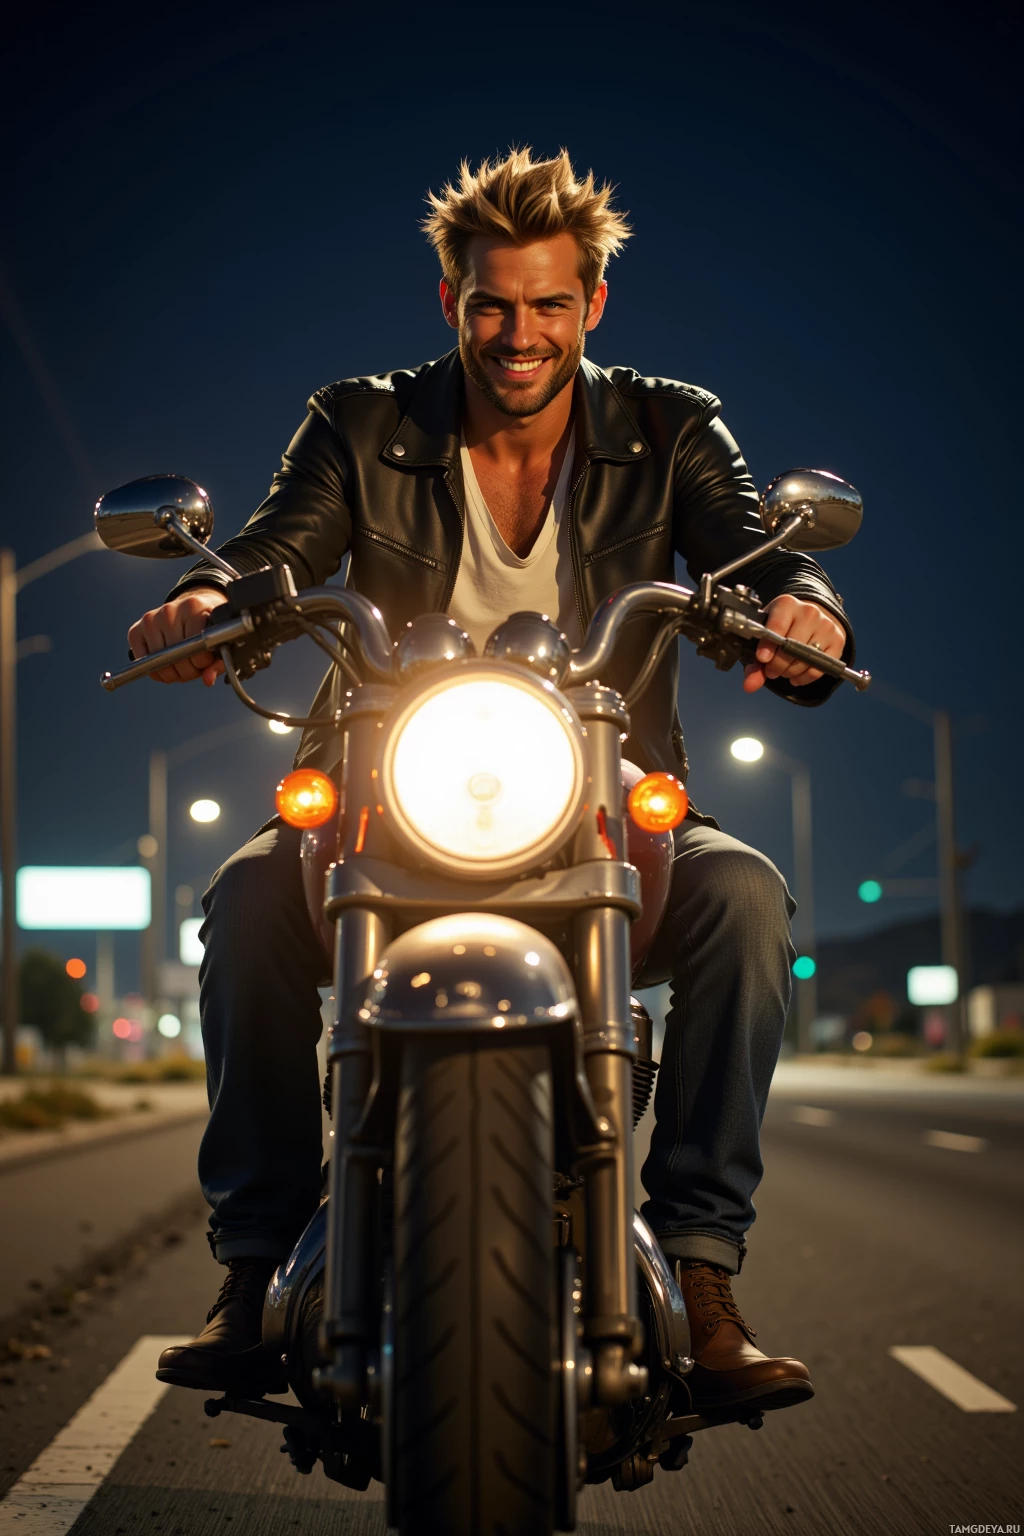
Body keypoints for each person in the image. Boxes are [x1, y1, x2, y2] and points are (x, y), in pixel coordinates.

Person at [133, 149, 853, 1411]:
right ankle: (252, 1268)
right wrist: (210, 597)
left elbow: (746, 544)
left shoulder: (671, 424)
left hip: (597, 788)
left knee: (745, 901)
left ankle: (698, 1270)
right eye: (491, 305)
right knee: (246, 904)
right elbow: (279, 546)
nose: (519, 335)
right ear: (451, 301)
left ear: (593, 307)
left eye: (548, 306)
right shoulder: (359, 421)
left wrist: (801, 605)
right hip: (384, 785)